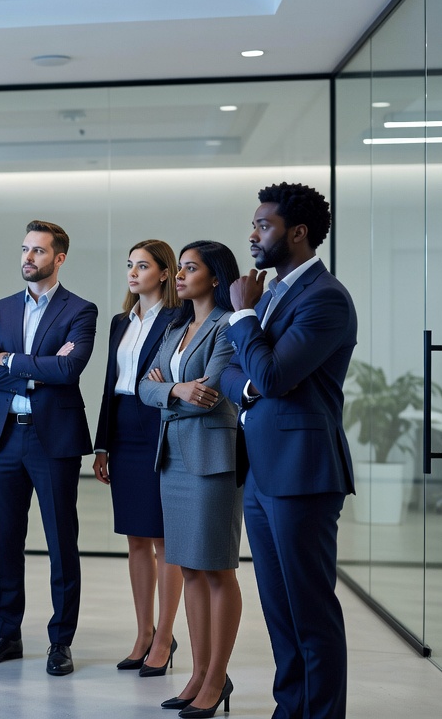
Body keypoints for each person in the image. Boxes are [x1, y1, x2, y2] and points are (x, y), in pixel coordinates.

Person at [220, 183, 357, 719]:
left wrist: (243, 318)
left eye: (264, 226)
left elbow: (273, 372)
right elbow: (236, 372)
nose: (253, 235)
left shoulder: (324, 298)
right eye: (254, 225)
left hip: (303, 473)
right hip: (262, 471)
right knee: (280, 611)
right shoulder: (271, 294)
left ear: (297, 233)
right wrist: (252, 379)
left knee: (311, 611)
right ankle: (289, 709)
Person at [0, 220, 97, 677]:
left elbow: (71, 370)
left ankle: (60, 640)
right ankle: (7, 635)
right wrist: (35, 370)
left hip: (54, 440)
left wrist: (13, 361)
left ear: (58, 258)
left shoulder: (81, 310)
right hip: (5, 437)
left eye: (38, 251)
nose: (28, 258)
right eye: (25, 249)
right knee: (6, 541)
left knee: (62, 541)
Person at [139, 240, 243, 718]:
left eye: (190, 268)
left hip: (211, 457)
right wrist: (176, 388)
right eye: (178, 268)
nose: (179, 276)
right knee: (191, 569)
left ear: (216, 277)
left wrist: (171, 389)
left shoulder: (227, 327)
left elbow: (215, 392)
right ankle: (200, 674)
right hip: (173, 456)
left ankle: (216, 676)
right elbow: (145, 385)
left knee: (217, 569)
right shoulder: (178, 327)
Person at [92, 239, 184, 676]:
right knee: (135, 539)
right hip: (125, 427)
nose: (132, 272)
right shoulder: (119, 322)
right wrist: (102, 444)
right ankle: (143, 631)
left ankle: (165, 636)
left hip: (160, 424)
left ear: (164, 273)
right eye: (129, 264)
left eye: (142, 265)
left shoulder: (179, 317)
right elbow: (111, 382)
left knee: (165, 540)